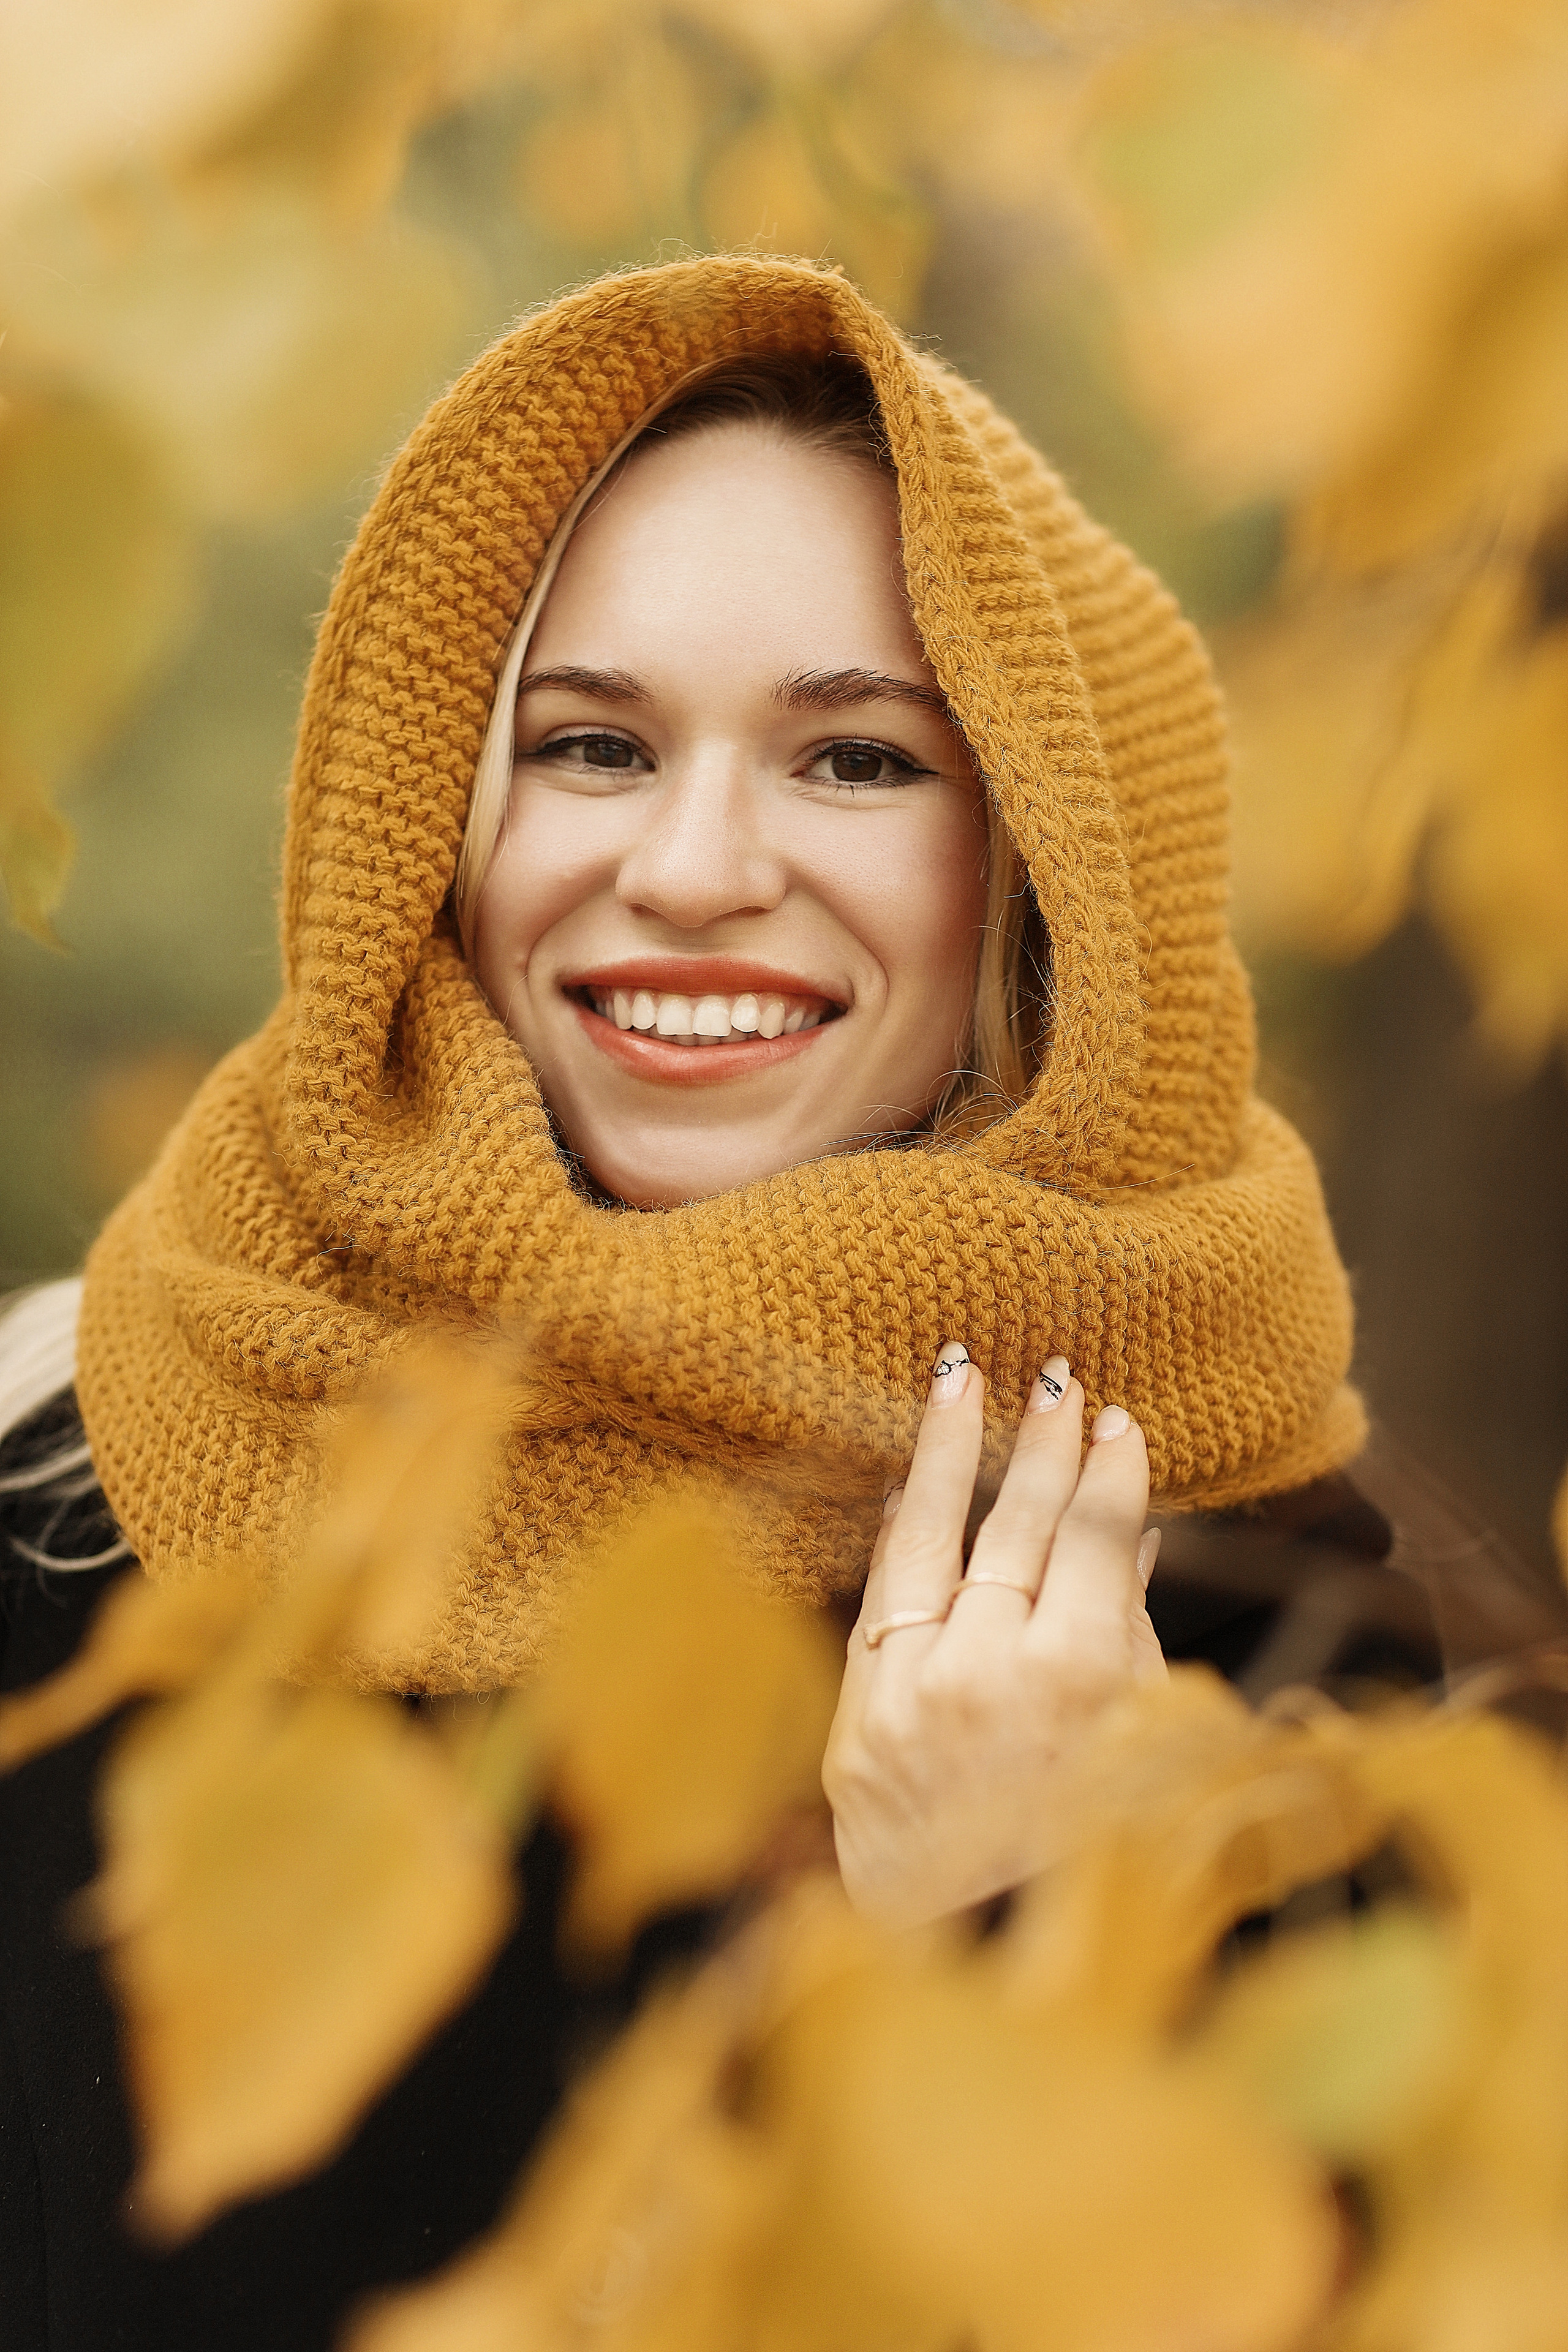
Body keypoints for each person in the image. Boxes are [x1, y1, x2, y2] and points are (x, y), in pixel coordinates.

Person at [1, 254, 1549, 2348]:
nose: (698, 866)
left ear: (1046, 869)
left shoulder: (1355, 1675)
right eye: (589, 746)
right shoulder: (84, 1484)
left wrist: (1003, 1948)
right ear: (423, 831)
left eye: (857, 763)